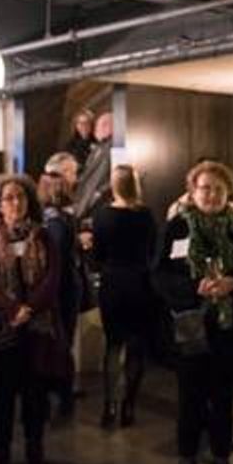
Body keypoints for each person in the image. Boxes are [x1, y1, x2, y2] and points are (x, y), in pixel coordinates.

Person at [156, 160, 233, 464]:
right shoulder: (176, 228)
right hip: (190, 334)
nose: (211, 194)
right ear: (192, 190)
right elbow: (159, 277)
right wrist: (193, 287)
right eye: (205, 188)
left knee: (223, 411)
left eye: (218, 188)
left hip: (228, 335)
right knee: (189, 410)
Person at [0, 175, 66, 464]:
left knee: (35, 396)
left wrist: (30, 308)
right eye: (9, 198)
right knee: (2, 396)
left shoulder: (44, 236)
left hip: (36, 329)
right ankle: (1, 457)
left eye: (21, 197)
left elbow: (53, 277)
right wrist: (12, 309)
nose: (16, 203)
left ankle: (35, 453)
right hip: (0, 328)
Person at [92, 165, 156, 429]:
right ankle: (129, 405)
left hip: (113, 283)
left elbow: (97, 254)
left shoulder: (103, 215)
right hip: (140, 283)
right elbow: (153, 250)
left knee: (113, 345)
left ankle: (109, 406)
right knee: (136, 346)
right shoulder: (146, 215)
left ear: (114, 184)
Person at [37, 168, 80, 418]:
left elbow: (53, 261)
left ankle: (61, 396)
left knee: (56, 342)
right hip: (68, 287)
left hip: (57, 289)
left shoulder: (53, 222)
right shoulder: (67, 217)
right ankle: (64, 394)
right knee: (63, 343)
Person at [73, 112, 113, 221]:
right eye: (79, 123)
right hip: (84, 198)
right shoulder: (98, 147)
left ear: (108, 126)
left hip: (97, 202)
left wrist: (99, 193)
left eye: (98, 125)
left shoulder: (111, 148)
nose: (95, 129)